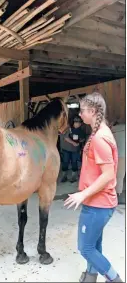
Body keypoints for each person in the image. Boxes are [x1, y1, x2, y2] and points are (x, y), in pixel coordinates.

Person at [64, 92, 123, 282]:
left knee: (85, 248)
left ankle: (114, 279)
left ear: (93, 111)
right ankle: (91, 275)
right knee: (94, 244)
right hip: (98, 202)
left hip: (98, 204)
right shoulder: (98, 133)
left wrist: (82, 195)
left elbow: (108, 174)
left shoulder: (99, 138)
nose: (80, 115)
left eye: (82, 111)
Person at [60, 116, 85, 183]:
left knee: (74, 163)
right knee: (65, 163)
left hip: (75, 150)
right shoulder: (68, 128)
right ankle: (64, 176)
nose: (78, 124)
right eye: (76, 122)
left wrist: (80, 141)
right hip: (66, 149)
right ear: (73, 123)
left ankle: (74, 177)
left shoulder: (81, 130)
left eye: (79, 122)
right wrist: (73, 143)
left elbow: (82, 139)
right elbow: (66, 138)